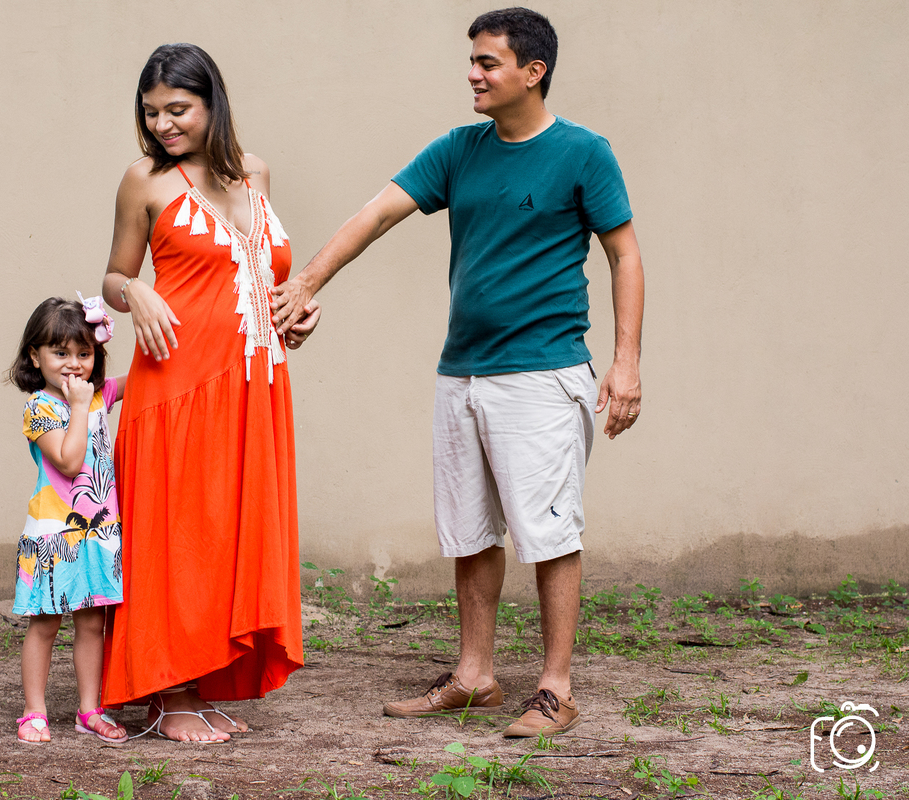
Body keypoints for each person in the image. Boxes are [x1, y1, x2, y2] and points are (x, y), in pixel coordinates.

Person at [271, 7, 644, 738]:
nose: (472, 74)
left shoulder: (582, 153)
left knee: (549, 533)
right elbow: (377, 214)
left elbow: (624, 254)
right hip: (462, 373)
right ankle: (475, 676)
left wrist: (626, 363)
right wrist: (308, 281)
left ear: (533, 72)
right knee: (470, 531)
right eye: (471, 61)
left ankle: (556, 690)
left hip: (542, 373)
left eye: (487, 62)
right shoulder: (458, 149)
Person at [99, 43, 321, 743]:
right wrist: (135, 291)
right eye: (151, 112)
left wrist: (295, 314)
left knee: (229, 535)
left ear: (211, 103)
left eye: (178, 109)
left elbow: (260, 277)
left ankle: (204, 682)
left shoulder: (254, 172)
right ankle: (169, 696)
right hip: (178, 386)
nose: (162, 124)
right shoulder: (144, 180)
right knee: (180, 535)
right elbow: (113, 277)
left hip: (255, 386)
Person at [6, 296, 130, 745]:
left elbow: (148, 379)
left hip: (98, 534)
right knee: (45, 624)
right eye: (60, 353)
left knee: (92, 624)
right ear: (35, 356)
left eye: (84, 353)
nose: (74, 364)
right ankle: (33, 711)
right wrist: (80, 406)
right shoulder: (39, 408)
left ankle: (89, 710)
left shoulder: (99, 395)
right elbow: (70, 460)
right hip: (54, 536)